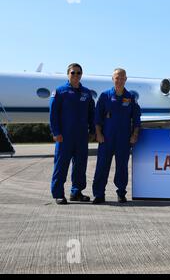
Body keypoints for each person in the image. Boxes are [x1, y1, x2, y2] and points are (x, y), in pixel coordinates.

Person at [91, 68, 141, 204]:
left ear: (126, 79)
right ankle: (99, 194)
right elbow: (97, 117)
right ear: (113, 79)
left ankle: (121, 193)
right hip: (106, 138)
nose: (119, 80)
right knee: (102, 167)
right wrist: (98, 133)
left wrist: (134, 135)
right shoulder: (105, 96)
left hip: (123, 139)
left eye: (122, 77)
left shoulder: (130, 98)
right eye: (117, 77)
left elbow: (136, 119)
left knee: (122, 168)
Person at [49, 63, 95, 205]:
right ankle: (58, 194)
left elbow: (91, 114)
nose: (76, 75)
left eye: (78, 73)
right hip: (64, 137)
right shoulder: (60, 92)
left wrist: (92, 131)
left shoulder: (86, 93)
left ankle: (77, 192)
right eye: (73, 72)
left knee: (80, 166)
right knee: (61, 166)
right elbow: (53, 114)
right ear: (68, 74)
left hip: (81, 137)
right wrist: (56, 132)